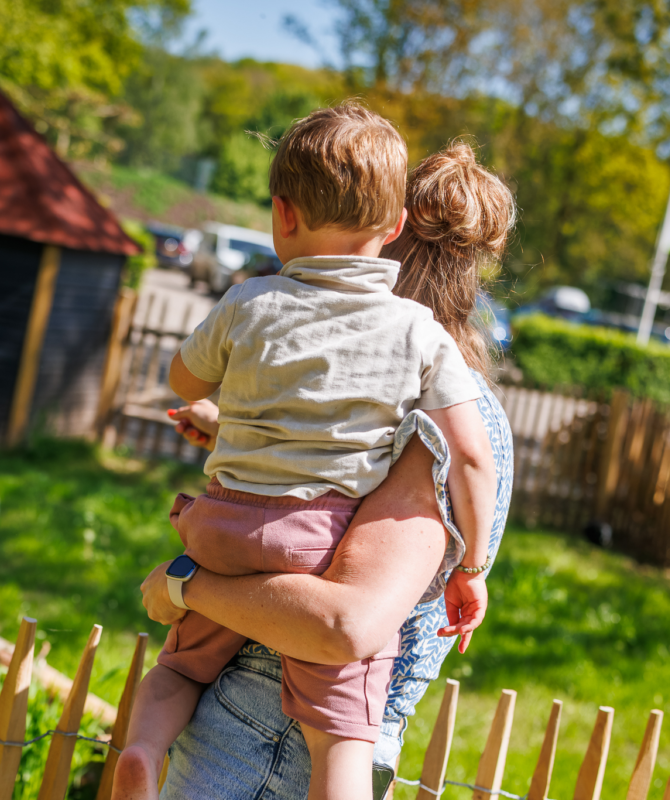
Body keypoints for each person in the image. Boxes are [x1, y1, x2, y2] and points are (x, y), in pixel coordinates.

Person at [113, 106, 499, 800]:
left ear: (281, 215)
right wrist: (473, 564)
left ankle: (141, 748)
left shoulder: (249, 301)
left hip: (218, 529)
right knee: (341, 736)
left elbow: (192, 378)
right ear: (392, 228)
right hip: (308, 549)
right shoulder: (417, 339)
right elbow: (469, 459)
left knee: (176, 669)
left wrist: (224, 421)